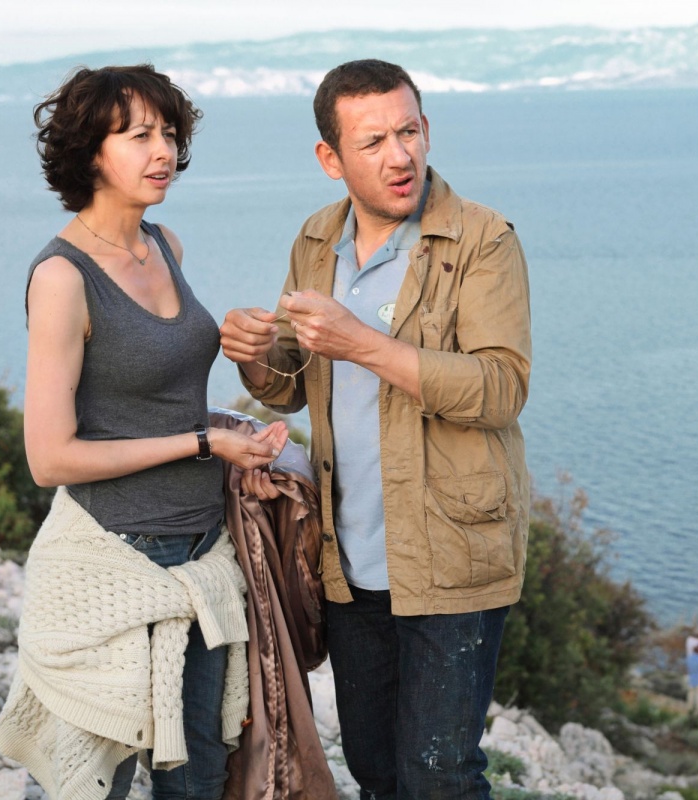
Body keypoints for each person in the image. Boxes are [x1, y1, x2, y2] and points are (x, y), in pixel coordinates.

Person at [218, 59, 531, 800]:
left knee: (440, 775)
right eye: (374, 141)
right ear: (331, 159)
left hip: (454, 558)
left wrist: (362, 343)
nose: (400, 156)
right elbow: (290, 383)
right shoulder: (316, 239)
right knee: (375, 769)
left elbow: (501, 388)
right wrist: (254, 356)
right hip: (349, 559)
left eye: (409, 131)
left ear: (427, 130)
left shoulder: (483, 239)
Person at [0, 65, 287, 800]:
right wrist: (202, 444)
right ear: (91, 151)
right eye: (138, 136)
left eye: (169, 133)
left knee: (201, 776)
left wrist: (245, 375)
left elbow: (166, 395)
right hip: (116, 559)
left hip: (204, 555)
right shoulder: (62, 278)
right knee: (105, 781)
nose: (163, 151)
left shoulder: (165, 244)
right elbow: (49, 457)